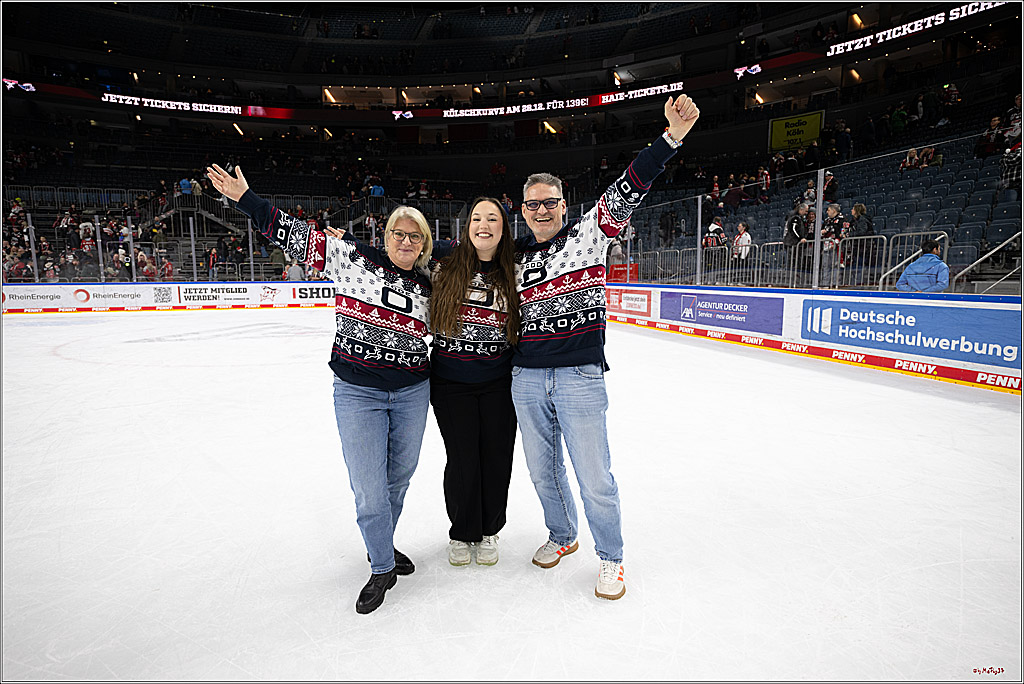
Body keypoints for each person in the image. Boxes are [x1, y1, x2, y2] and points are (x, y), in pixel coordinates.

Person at [208, 163, 435, 615]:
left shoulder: (434, 284)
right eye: (399, 234)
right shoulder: (352, 259)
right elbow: (295, 235)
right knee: (370, 488)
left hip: (412, 392)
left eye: (416, 237)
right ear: (385, 235)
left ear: (425, 244)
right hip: (357, 393)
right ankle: (382, 566)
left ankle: (381, 544)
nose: (406, 242)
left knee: (399, 479)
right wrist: (246, 198)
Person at [511, 94, 699, 601]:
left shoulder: (589, 235)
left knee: (594, 474)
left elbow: (630, 186)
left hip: (578, 376)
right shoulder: (513, 259)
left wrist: (670, 138)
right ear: (523, 211)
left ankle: (611, 557)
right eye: (533, 204)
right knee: (541, 468)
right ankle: (562, 533)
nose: (542, 210)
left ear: (563, 206)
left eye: (550, 202)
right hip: (525, 377)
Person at [425, 197, 521, 567]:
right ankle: (463, 531)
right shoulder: (442, 263)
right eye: (477, 218)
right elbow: (399, 250)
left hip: (499, 382)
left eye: (492, 218)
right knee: (463, 458)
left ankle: (490, 529)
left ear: (503, 226)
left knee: (497, 456)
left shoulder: (517, 267)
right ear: (466, 227)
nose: (484, 224)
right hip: (451, 383)